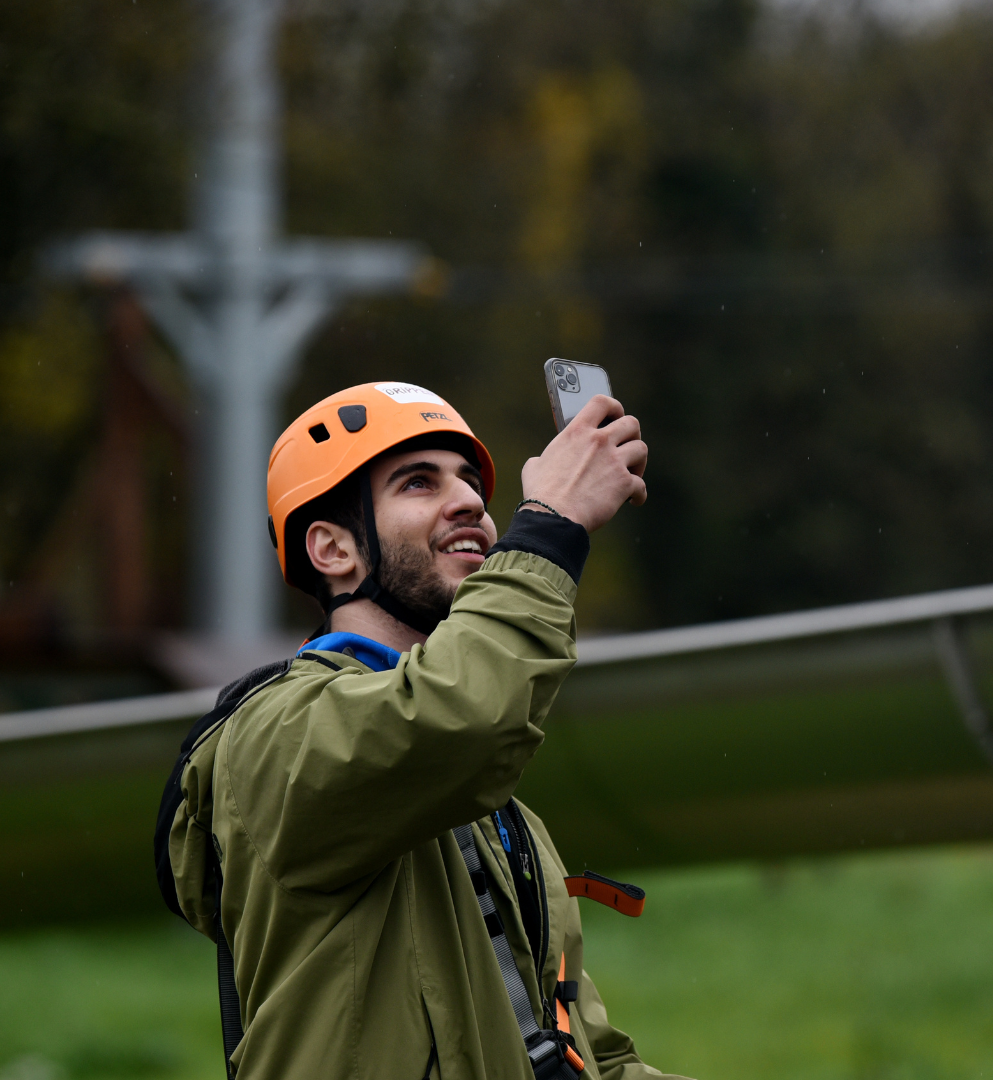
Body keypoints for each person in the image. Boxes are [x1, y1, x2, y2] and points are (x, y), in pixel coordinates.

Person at [160, 381, 692, 1079]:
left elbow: (578, 1056)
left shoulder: (499, 814)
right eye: (419, 483)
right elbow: (461, 714)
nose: (471, 501)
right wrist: (551, 522)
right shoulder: (273, 736)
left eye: (471, 482)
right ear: (332, 550)